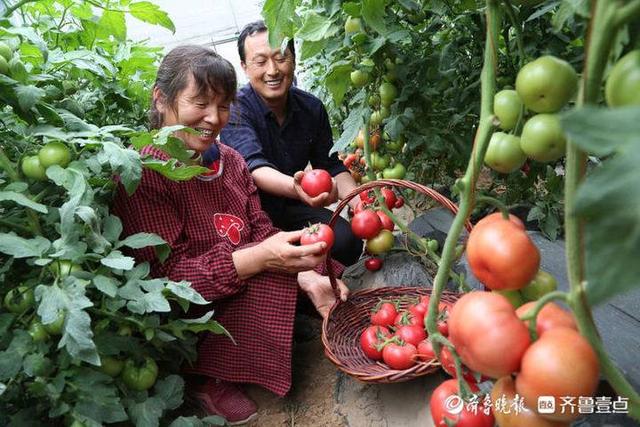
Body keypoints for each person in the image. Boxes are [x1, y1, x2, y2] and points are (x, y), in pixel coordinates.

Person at [112, 45, 349, 426]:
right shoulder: (142, 172)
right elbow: (163, 282)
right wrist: (259, 259)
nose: (213, 118)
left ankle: (269, 329)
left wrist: (304, 272)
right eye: (200, 103)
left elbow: (258, 228)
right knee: (270, 277)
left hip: (233, 278)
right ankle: (206, 376)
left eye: (223, 106)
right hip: (185, 309)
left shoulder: (230, 161)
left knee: (312, 257)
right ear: (161, 99)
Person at [219, 20, 362, 266]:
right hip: (251, 214)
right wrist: (298, 188)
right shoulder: (236, 110)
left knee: (347, 242)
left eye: (281, 57)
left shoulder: (311, 108)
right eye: (261, 61)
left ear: (294, 60)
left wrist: (359, 201)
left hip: (292, 208)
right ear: (244, 66)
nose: (272, 70)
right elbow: (254, 168)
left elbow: (330, 165)